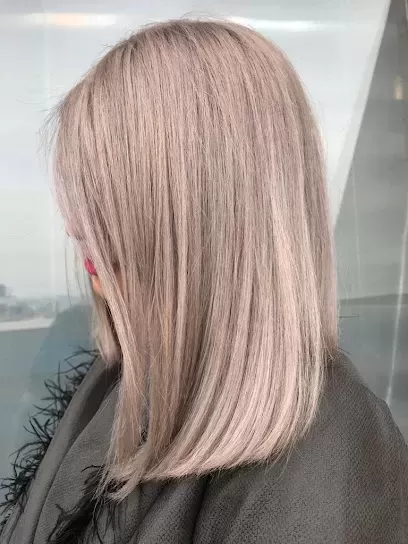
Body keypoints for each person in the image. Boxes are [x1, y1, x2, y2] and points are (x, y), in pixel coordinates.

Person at [1, 19, 407, 544]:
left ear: (202, 220)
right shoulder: (122, 377)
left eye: (104, 199)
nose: (75, 227)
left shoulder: (330, 473)